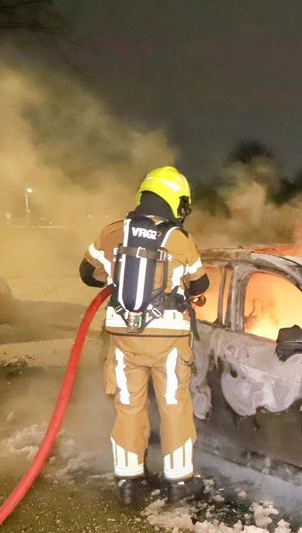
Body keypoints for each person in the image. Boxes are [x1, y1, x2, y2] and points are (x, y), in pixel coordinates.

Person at [79, 166, 210, 505]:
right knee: (173, 406)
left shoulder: (113, 233)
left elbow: (86, 273)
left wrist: (114, 278)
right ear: (173, 200)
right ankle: (180, 483)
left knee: (128, 406)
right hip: (168, 342)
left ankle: (128, 481)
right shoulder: (179, 240)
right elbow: (201, 283)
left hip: (124, 340)